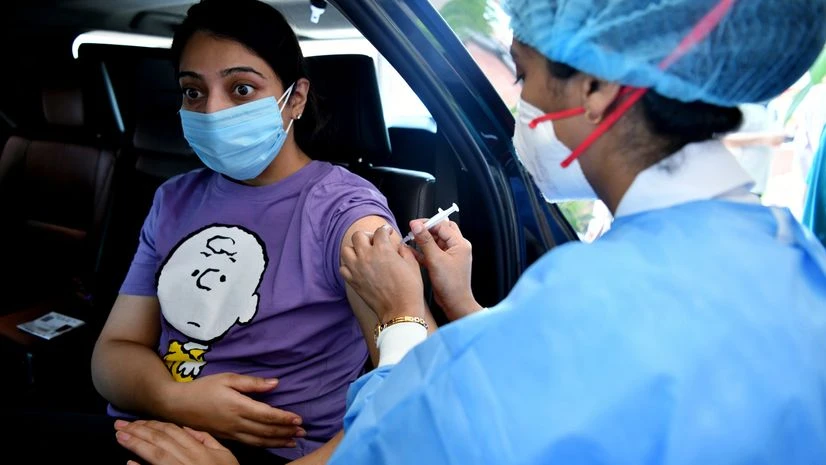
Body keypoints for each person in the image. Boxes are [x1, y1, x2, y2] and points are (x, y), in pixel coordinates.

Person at [113, 0, 826, 463]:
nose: (521, 103)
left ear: (598, 88)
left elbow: (400, 446)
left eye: (525, 76)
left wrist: (400, 317)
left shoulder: (585, 301)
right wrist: (461, 308)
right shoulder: (790, 257)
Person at [89, 0, 430, 463]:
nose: (212, 110)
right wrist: (177, 399)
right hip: (153, 424)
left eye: (242, 88)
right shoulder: (175, 199)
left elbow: (410, 403)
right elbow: (113, 354)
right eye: (193, 92)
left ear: (296, 98)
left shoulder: (345, 211)